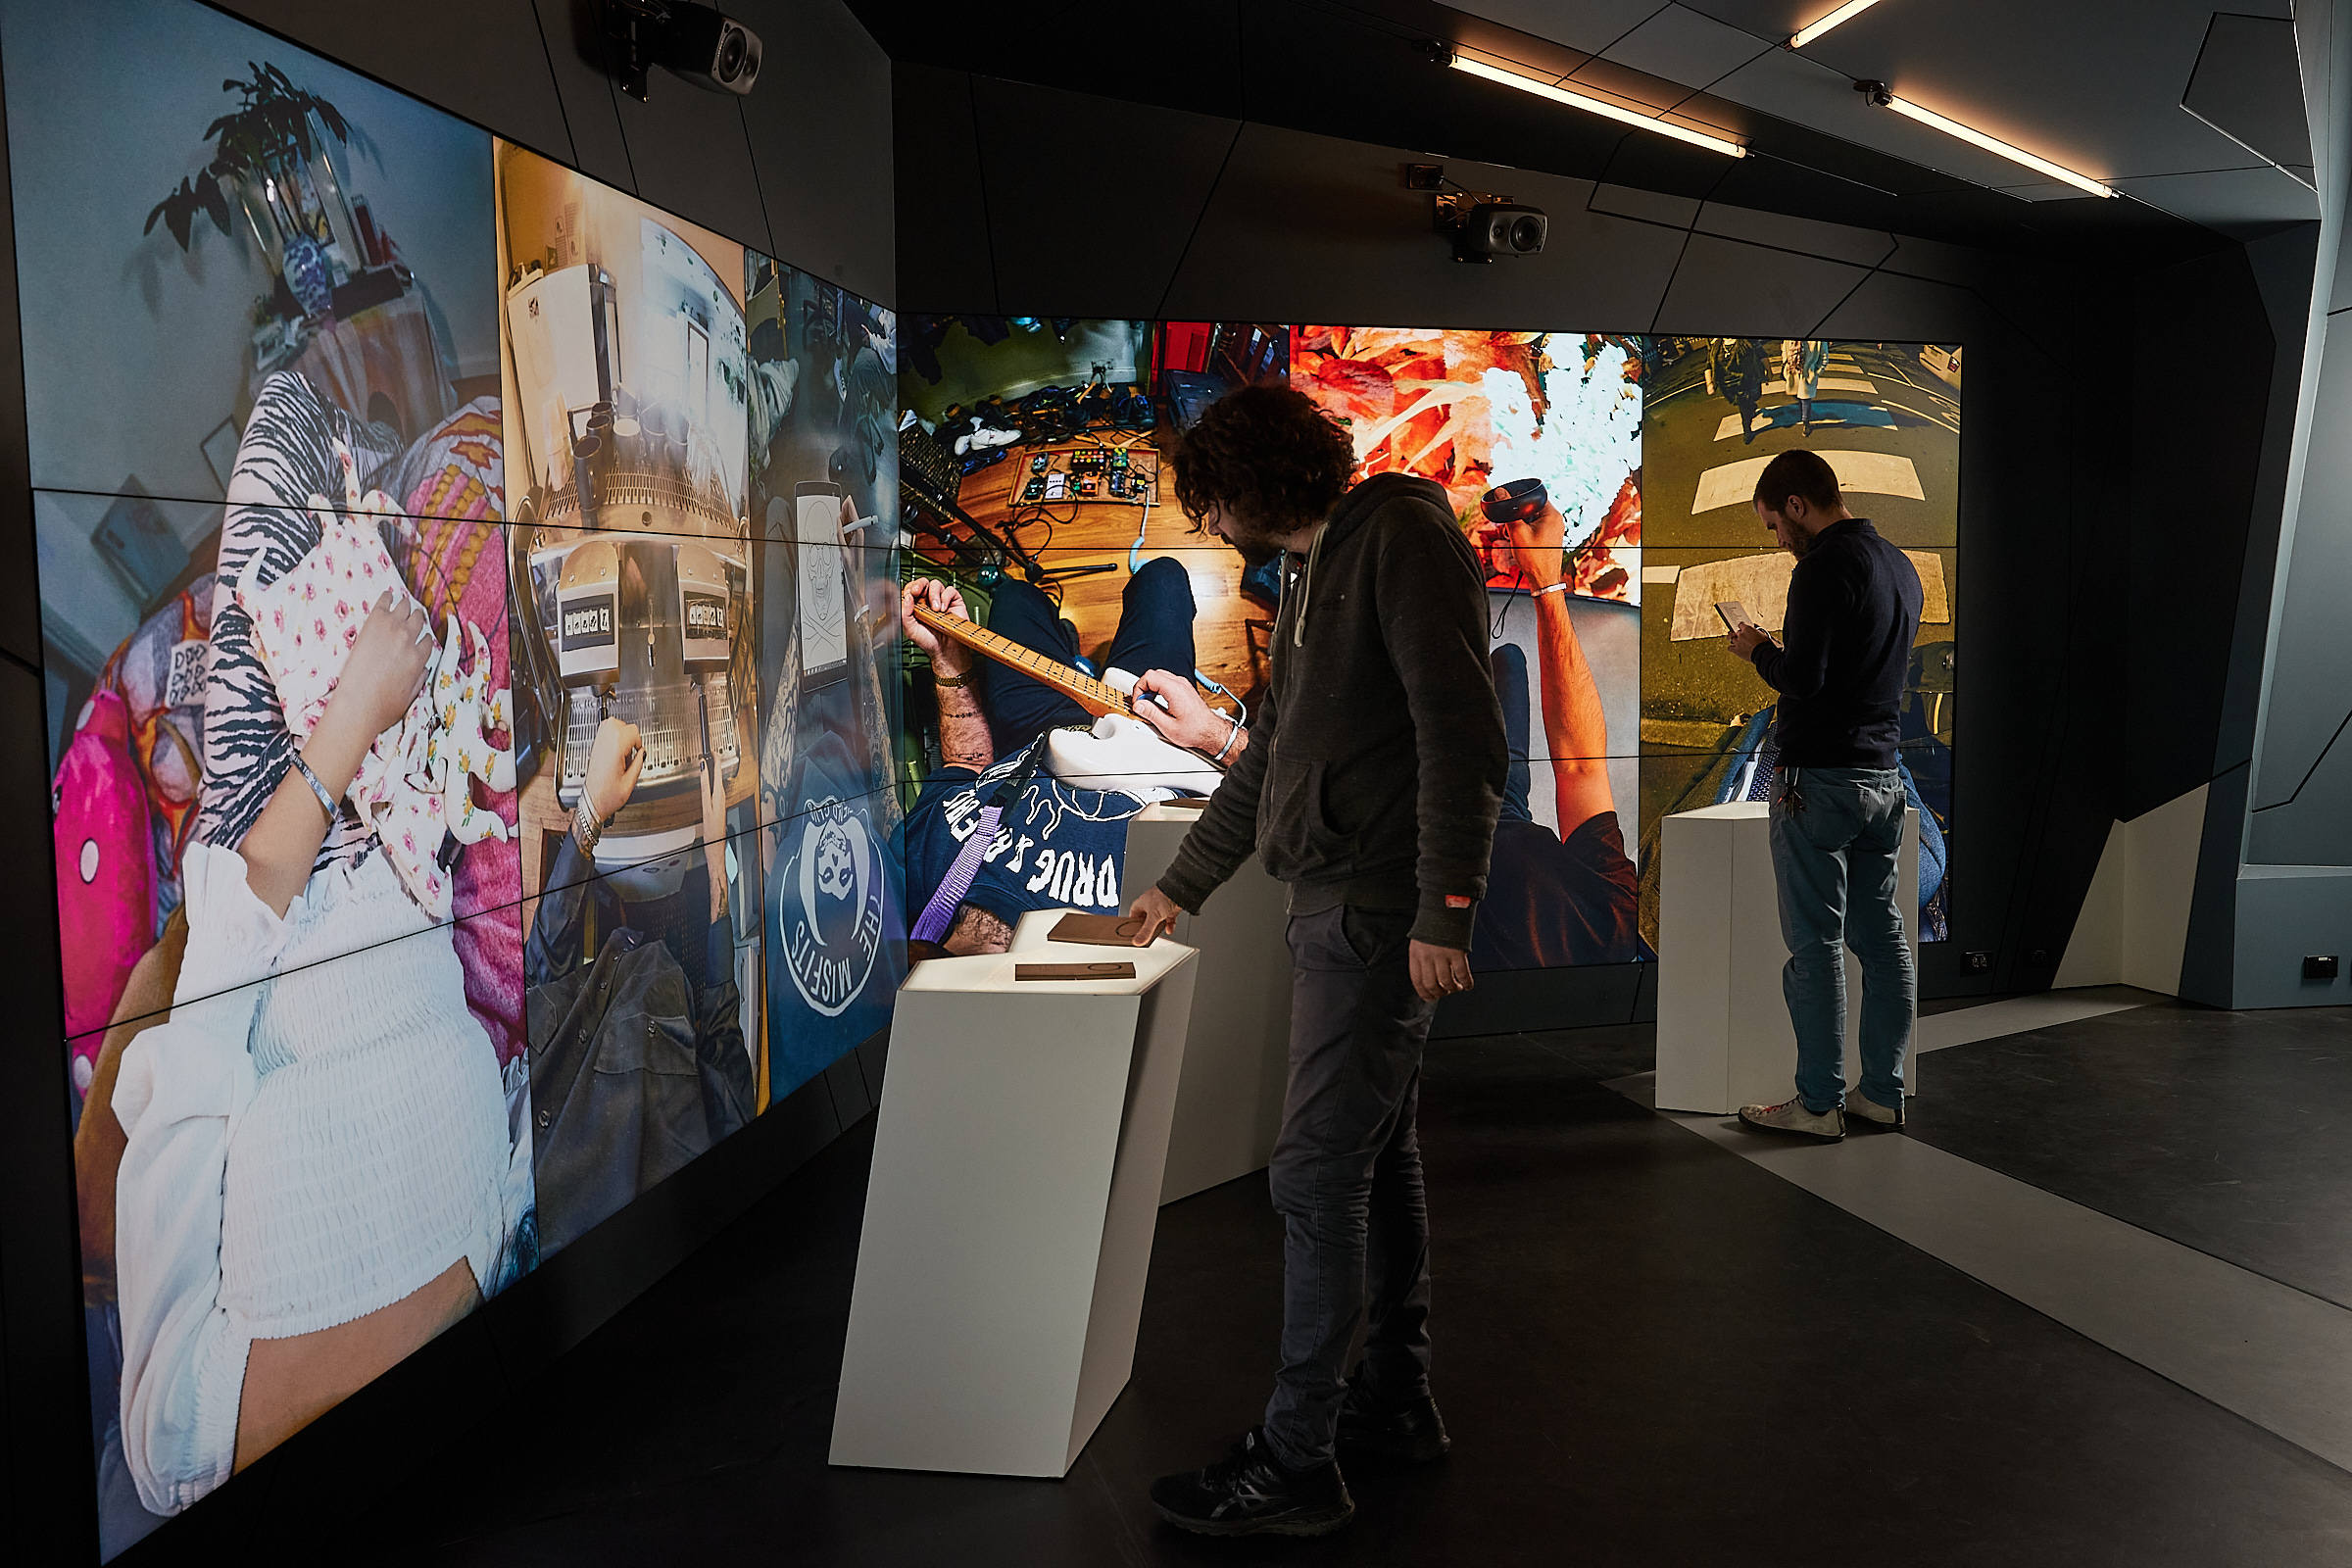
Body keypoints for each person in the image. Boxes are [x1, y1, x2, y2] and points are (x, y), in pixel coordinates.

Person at [1126, 384, 1506, 1537]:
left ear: (1249, 483)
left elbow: (1463, 732)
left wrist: (1447, 908)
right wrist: (1180, 886)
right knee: (1373, 1159)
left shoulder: (1397, 536)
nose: (1211, 522)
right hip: (1340, 908)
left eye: (1212, 499)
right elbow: (1273, 756)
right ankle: (1394, 1401)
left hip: (1376, 914)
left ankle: (1296, 1463)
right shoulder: (1314, 568)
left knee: (1312, 1176)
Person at [899, 557, 1242, 956]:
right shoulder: (1130, 947)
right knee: (1163, 578)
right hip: (1161, 745)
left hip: (1038, 733)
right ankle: (1074, 653)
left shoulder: (914, 888)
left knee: (1015, 595)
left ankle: (1065, 644)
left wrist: (948, 659)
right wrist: (1218, 738)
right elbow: (1279, 796)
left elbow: (966, 765)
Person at [1726, 448, 1924, 1140]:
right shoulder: (1899, 566)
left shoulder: (1820, 568)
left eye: (1775, 524)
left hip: (1817, 784)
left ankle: (1817, 1106)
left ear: (1797, 505)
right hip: (1883, 779)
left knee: (1816, 948)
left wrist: (1756, 649)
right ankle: (1883, 1095)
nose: (1778, 538)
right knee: (1884, 941)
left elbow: (1802, 679)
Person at [524, 718, 754, 1255]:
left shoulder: (535, 1202)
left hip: (609, 967)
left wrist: (591, 812)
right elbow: (721, 1028)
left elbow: (540, 980)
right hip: (667, 975)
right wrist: (715, 857)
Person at [1469, 496, 1639, 969]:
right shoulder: (1612, 926)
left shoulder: (1615, 931)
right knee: (1509, 662)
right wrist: (1546, 583)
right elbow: (1581, 768)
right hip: (1503, 807)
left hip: (1424, 817)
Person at [1714, 336, 1770, 444]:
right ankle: (1750, 411)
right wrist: (1710, 383)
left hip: (1747, 378)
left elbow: (1762, 354)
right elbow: (1710, 364)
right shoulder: (1717, 345)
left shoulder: (1748, 340)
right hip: (1728, 383)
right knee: (1742, 402)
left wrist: (1769, 371)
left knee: (1745, 401)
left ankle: (1747, 427)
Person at [1783, 338, 1828, 435]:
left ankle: (1806, 422)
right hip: (1793, 372)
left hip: (1808, 374)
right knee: (1799, 396)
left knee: (1806, 399)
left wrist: (1816, 372)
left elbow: (1824, 357)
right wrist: (1785, 364)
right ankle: (1804, 416)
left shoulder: (1818, 341)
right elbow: (1784, 350)